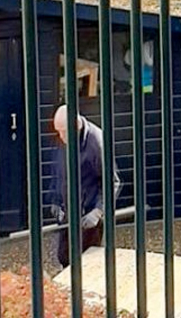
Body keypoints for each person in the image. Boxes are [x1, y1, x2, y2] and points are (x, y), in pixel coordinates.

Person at [47, 104, 121, 268]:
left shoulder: (96, 142)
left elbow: (112, 181)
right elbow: (58, 173)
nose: (61, 136)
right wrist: (55, 200)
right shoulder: (64, 139)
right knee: (64, 257)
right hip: (68, 212)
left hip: (88, 214)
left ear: (76, 125)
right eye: (58, 131)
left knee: (88, 261)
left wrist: (98, 210)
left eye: (64, 131)